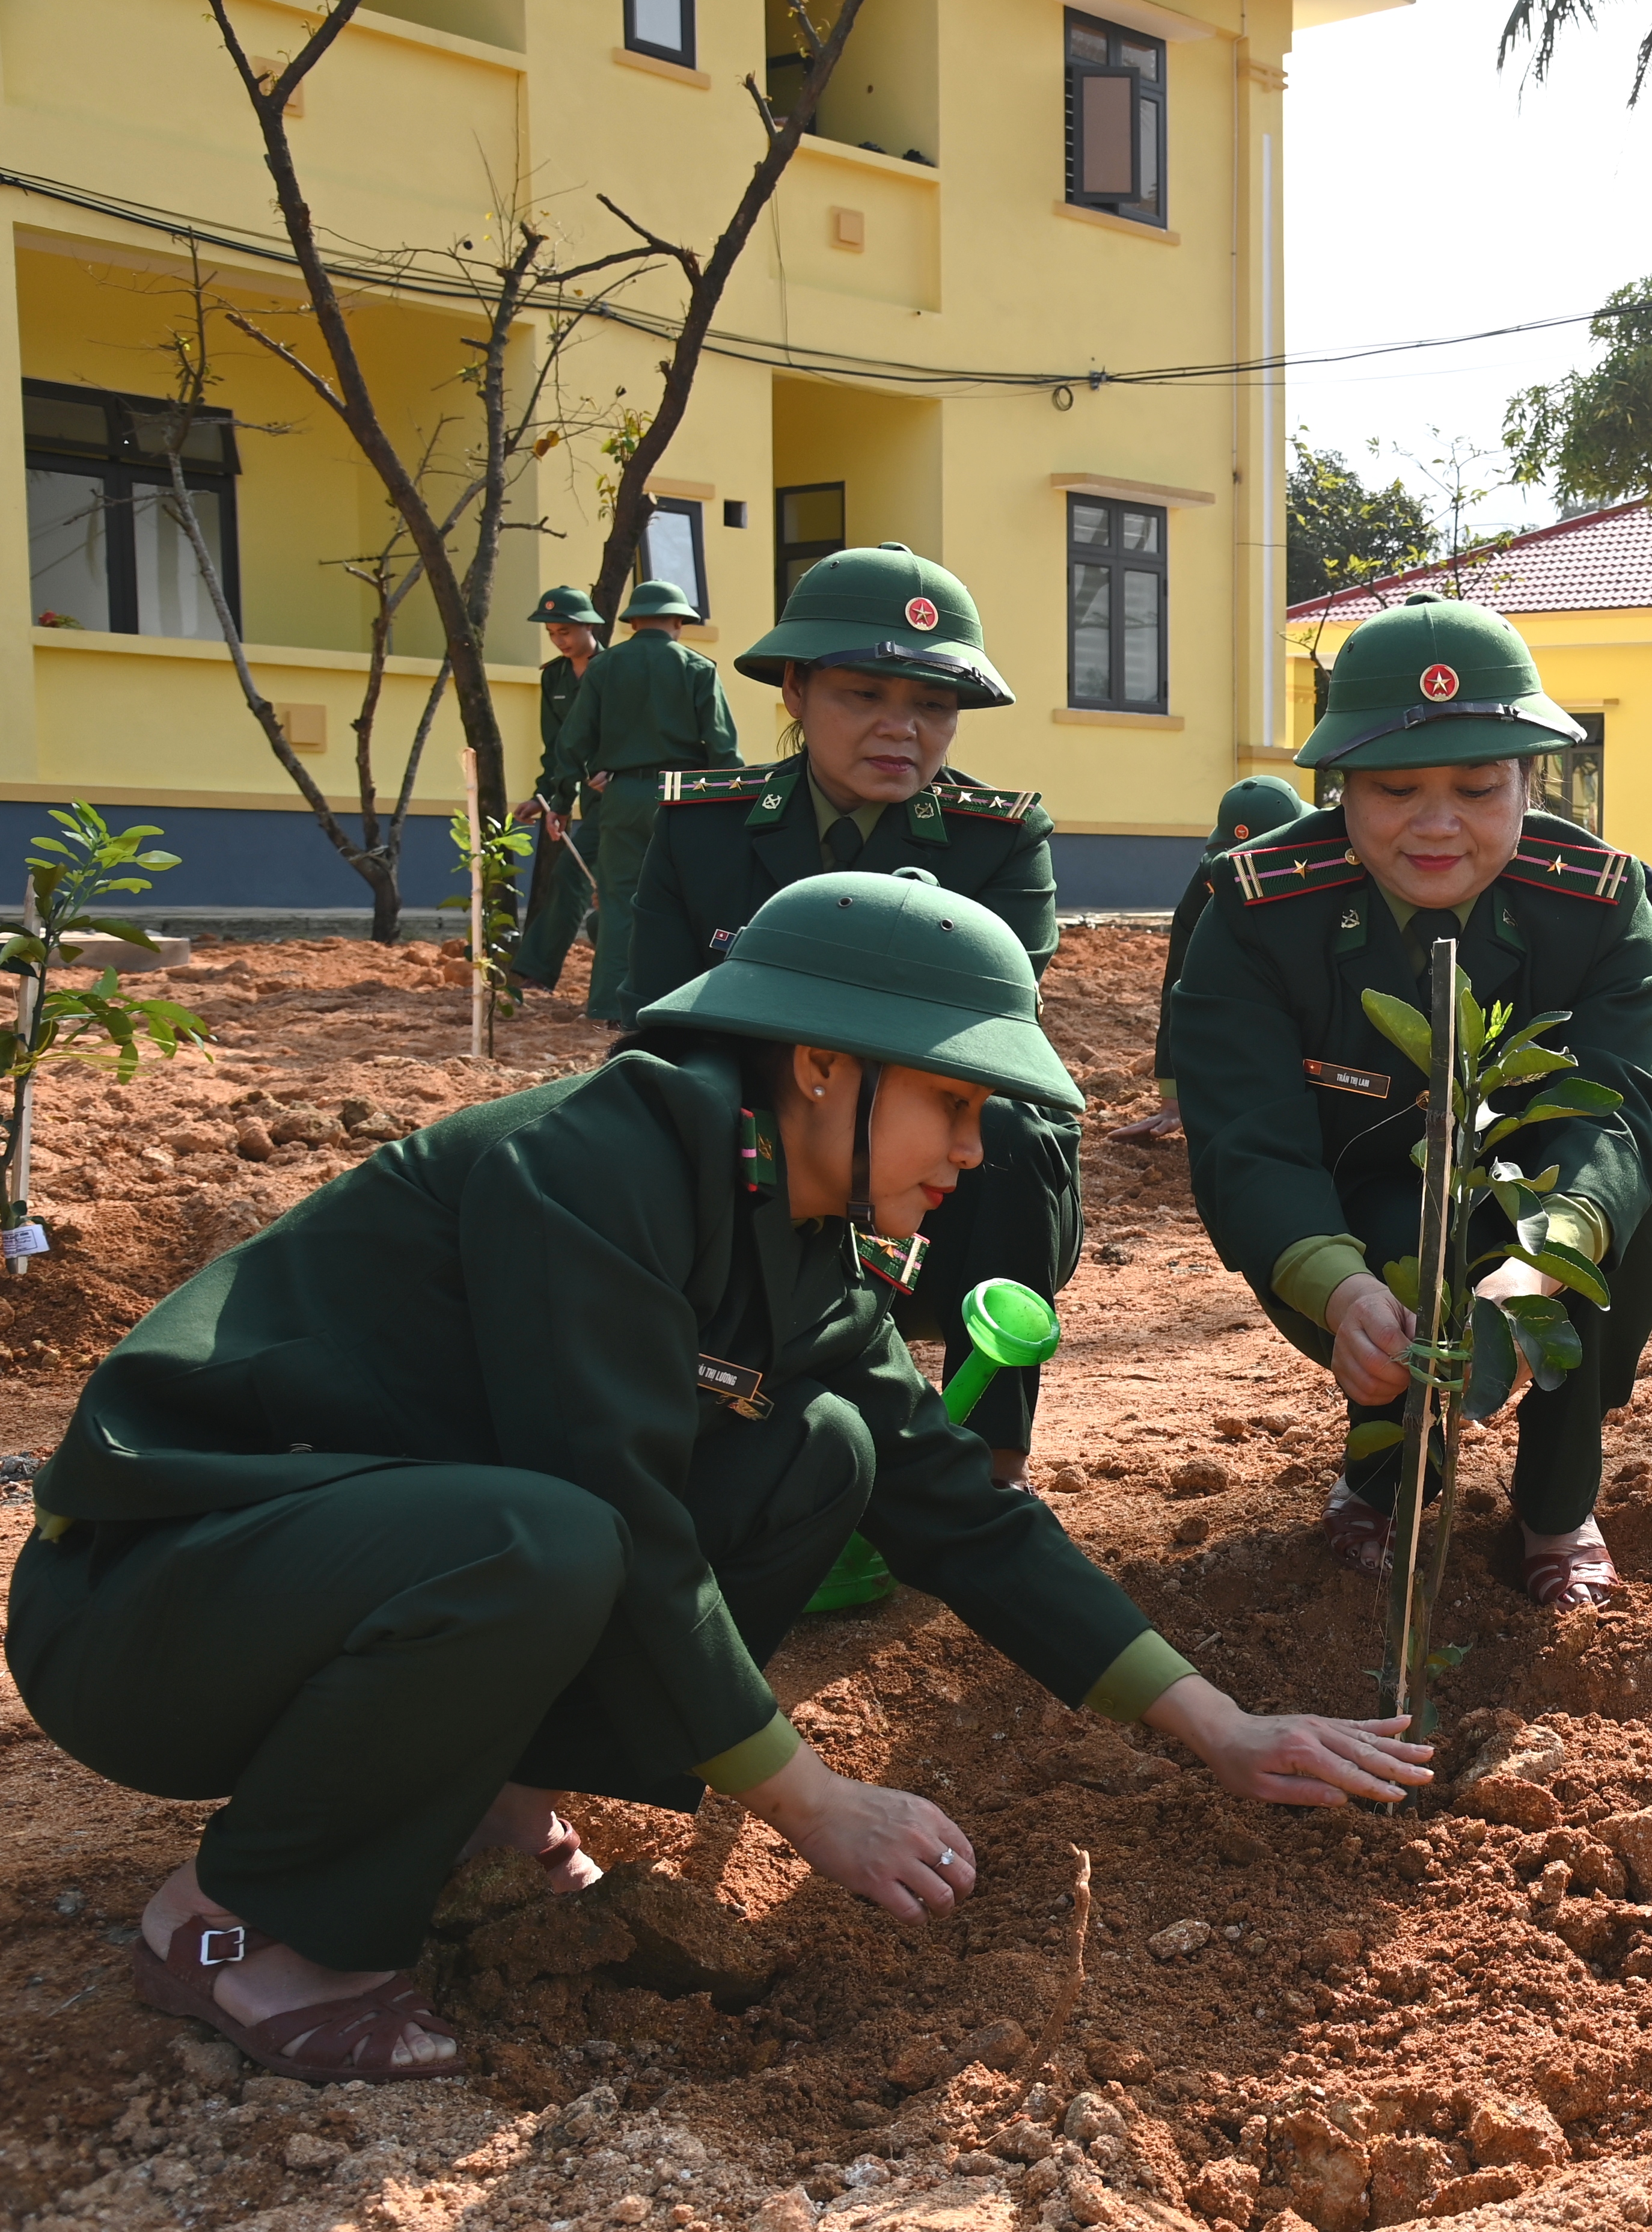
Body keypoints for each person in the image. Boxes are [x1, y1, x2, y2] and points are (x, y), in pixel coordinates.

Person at [8, 868, 1431, 2085]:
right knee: (555, 1537)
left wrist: (1221, 1726)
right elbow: (616, 1510)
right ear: (820, 1062)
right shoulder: (595, 1164)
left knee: (822, 1455)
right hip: (149, 1613)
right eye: (950, 1098)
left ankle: (481, 1794)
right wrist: (813, 1801)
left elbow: (959, 1508)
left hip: (326, 1579)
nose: (972, 1149)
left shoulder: (800, 1231)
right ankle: (248, 1921)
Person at [1169, 596, 1652, 1610]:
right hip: (1357, 1197)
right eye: (1396, 787)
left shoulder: (1593, 902)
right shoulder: (1258, 912)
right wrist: (1339, 1291)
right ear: (1341, 788)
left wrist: (1542, 1259)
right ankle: (1383, 1472)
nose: (1437, 821)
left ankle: (1555, 1503)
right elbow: (1247, 1135)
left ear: (1529, 782)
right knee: (1385, 1280)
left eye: (1478, 786)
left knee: (1637, 1203)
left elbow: (1622, 1107)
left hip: (1531, 1190)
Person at [625, 547, 1077, 1485]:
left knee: (1008, 1130)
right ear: (794, 688)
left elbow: (985, 1033)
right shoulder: (702, 828)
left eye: (931, 707)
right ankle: (711, 1410)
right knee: (664, 1118)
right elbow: (662, 1026)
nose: (899, 730)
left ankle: (991, 1462)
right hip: (763, 1149)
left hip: (930, 1158)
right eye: (862, 695)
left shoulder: (1001, 842)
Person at [543, 579, 740, 1026]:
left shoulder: (604, 667)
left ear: (632, 622)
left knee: (617, 903)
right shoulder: (698, 668)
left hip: (623, 795)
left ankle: (611, 1007)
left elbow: (572, 743)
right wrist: (727, 807)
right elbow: (723, 749)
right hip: (684, 798)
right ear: (678, 622)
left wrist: (560, 799)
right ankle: (683, 1005)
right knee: (689, 901)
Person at [1105, 775, 1311, 1146]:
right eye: (1234, 861)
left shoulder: (1332, 871)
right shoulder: (1212, 881)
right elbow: (1181, 984)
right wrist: (1174, 1098)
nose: (1245, 875)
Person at [508, 587, 604, 994]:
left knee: (584, 877)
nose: (560, 641)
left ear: (589, 625)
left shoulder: (617, 668)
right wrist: (548, 798)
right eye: (552, 634)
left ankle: (538, 970)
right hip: (581, 790)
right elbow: (557, 745)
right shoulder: (554, 677)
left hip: (626, 789)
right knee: (574, 876)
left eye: (565, 631)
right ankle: (535, 973)